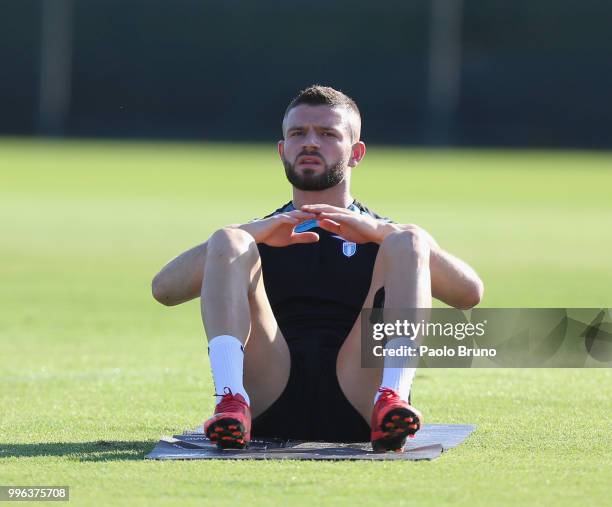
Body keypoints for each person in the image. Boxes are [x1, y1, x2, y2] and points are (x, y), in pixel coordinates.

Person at [151, 85, 484, 452]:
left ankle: (392, 398)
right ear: (282, 151)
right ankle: (230, 400)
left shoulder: (386, 237)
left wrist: (386, 233)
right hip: (269, 394)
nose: (310, 143)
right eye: (298, 134)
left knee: (410, 239)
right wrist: (248, 233)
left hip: (361, 397)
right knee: (227, 239)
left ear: (356, 153)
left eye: (327, 134)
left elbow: (469, 293)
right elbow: (164, 290)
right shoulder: (260, 235)